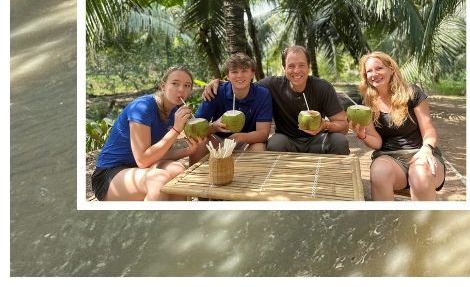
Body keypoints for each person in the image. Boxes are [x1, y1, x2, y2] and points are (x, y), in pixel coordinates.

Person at [205, 45, 351, 154]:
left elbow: (343, 126)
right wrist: (219, 83)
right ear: (283, 68)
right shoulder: (272, 85)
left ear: (309, 67)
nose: (296, 71)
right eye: (291, 66)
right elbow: (244, 84)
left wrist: (325, 125)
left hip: (318, 139)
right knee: (274, 142)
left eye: (301, 65)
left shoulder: (323, 87)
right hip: (287, 140)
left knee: (340, 141)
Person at [91, 66, 206, 201]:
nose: (181, 89)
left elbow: (157, 155)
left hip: (137, 170)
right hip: (109, 174)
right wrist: (175, 130)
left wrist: (187, 151)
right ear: (163, 86)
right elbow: (143, 161)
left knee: (178, 170)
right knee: (159, 180)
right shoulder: (142, 107)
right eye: (175, 83)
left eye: (187, 86)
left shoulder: (174, 112)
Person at [350, 51, 446, 201]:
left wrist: (427, 148)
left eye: (379, 68)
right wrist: (362, 135)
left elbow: (428, 130)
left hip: (420, 154)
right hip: (390, 159)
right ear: (366, 77)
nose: (374, 74)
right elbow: (377, 142)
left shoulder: (412, 93)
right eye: (369, 71)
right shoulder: (367, 103)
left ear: (391, 69)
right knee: (379, 172)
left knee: (419, 173)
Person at [190, 52, 273, 158]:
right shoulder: (215, 92)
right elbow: (196, 129)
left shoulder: (262, 94)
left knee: (259, 148)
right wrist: (213, 127)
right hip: (218, 140)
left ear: (252, 74)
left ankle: (249, 175)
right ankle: (195, 174)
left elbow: (263, 134)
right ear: (228, 76)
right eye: (234, 72)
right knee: (200, 144)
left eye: (244, 70)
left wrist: (237, 137)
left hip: (246, 141)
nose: (239, 75)